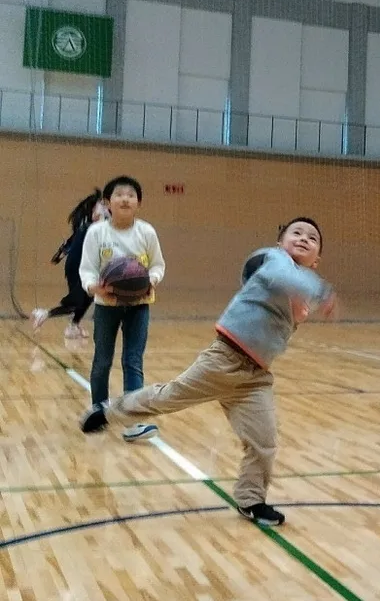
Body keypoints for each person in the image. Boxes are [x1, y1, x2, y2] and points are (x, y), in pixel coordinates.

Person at [81, 217, 336, 525]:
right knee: (165, 399)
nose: (304, 238)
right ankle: (109, 411)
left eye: (312, 238)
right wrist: (320, 290)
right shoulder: (273, 260)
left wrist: (310, 293)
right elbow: (280, 275)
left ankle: (251, 500)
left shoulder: (302, 289)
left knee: (264, 442)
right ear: (279, 242)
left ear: (317, 257)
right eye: (296, 232)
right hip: (223, 360)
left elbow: (294, 305)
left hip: (255, 377)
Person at [80, 175, 165, 443]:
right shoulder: (97, 233)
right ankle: (98, 411)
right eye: (119, 194)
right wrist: (96, 288)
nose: (125, 198)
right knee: (102, 360)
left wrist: (150, 281)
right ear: (107, 203)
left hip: (139, 306)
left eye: (131, 195)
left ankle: (131, 419)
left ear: (138, 203)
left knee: (133, 360)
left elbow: (158, 266)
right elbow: (87, 270)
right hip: (107, 305)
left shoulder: (147, 232)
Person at [31, 189, 108, 339]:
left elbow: (69, 243)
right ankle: (44, 314)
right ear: (94, 209)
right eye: (102, 205)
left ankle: (73, 326)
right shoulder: (90, 227)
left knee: (90, 296)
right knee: (76, 301)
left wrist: (59, 256)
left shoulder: (88, 226)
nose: (105, 208)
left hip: (82, 266)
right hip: (78, 267)